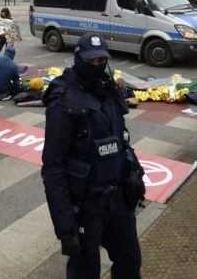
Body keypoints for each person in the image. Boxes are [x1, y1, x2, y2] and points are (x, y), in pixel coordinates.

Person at [41, 34, 144, 278]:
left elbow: (122, 140)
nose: (97, 66)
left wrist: (136, 173)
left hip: (118, 200)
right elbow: (53, 168)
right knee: (85, 272)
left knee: (130, 263)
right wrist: (65, 227)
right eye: (91, 61)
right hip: (86, 206)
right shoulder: (64, 102)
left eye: (101, 61)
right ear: (79, 59)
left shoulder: (109, 92)